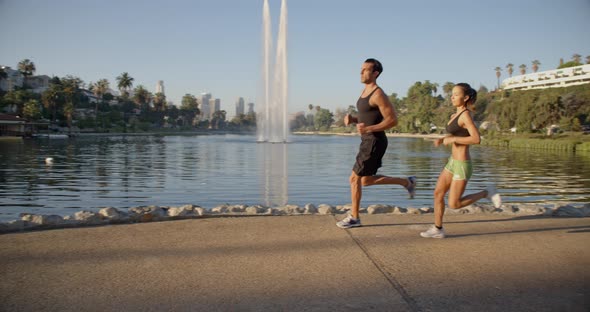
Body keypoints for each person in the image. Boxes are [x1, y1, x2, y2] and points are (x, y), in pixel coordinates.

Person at [336, 58, 416, 229]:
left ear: (375, 73)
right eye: (361, 69)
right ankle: (406, 182)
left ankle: (354, 218)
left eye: (366, 70)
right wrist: (353, 119)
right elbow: (368, 118)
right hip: (367, 140)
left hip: (374, 141)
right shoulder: (365, 92)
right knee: (364, 181)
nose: (361, 72)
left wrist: (370, 128)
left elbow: (393, 120)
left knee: (354, 179)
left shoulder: (378, 94)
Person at [420, 83, 501, 238]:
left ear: (465, 98)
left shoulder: (466, 115)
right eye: (452, 94)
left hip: (462, 165)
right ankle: (438, 229)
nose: (452, 96)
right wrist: (443, 139)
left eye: (456, 94)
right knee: (438, 193)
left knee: (454, 204)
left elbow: (476, 139)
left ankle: (486, 192)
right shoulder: (454, 116)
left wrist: (454, 138)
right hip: (452, 162)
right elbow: (456, 135)